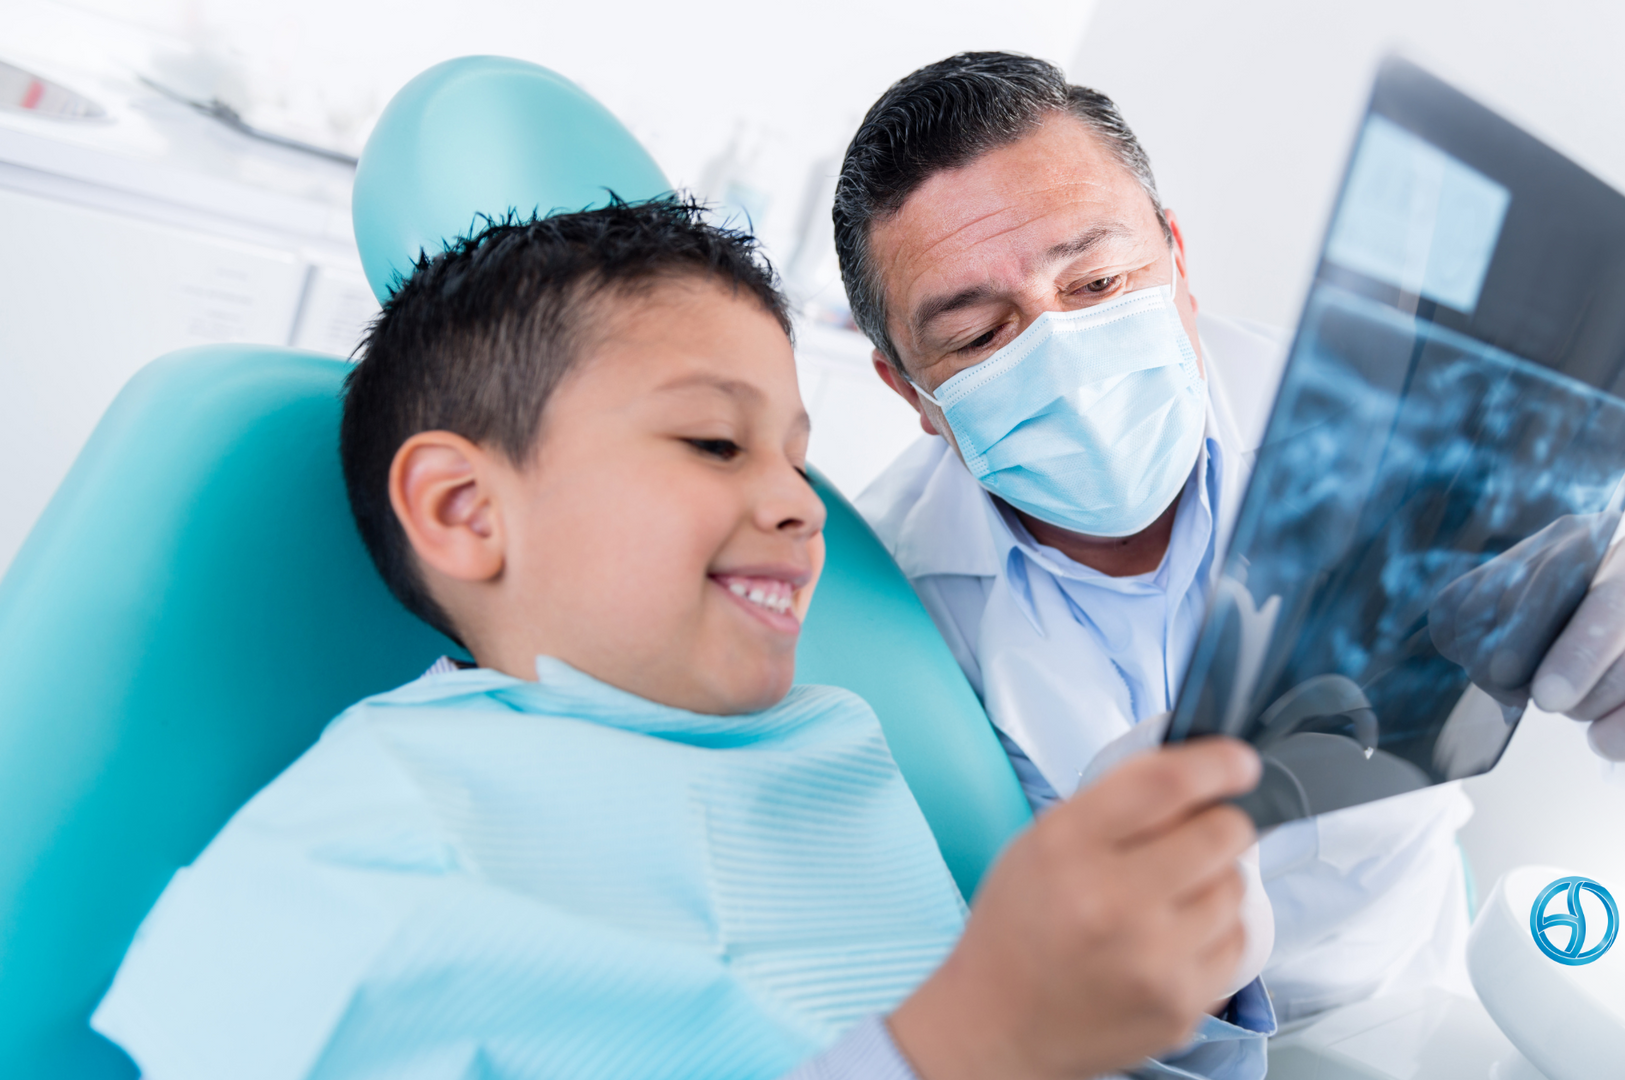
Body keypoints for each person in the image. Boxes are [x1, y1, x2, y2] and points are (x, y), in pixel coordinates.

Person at [90, 200, 1279, 1080]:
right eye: (716, 443)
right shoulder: (349, 870)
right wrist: (966, 1041)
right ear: (465, 511)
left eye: (796, 454)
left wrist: (1175, 987)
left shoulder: (829, 743)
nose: (802, 505)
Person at [837, 52, 1625, 1020]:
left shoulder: (1395, 427)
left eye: (1096, 283)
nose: (1057, 345)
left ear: (1177, 259)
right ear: (909, 390)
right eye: (977, 337)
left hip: (1411, 1013)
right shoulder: (875, 610)